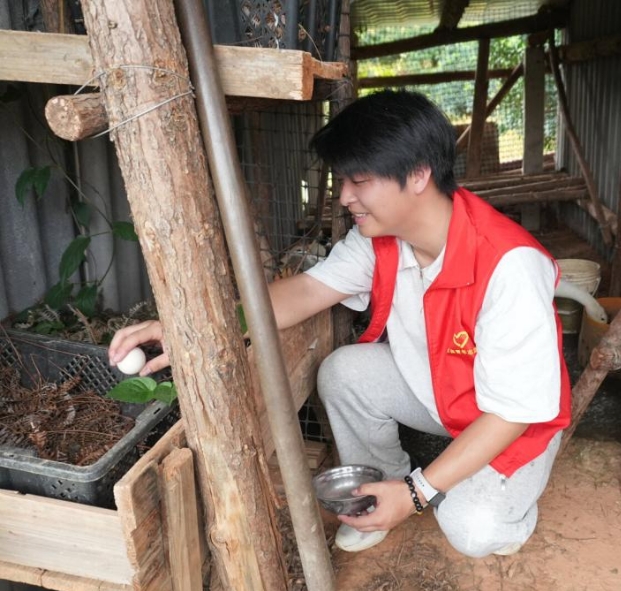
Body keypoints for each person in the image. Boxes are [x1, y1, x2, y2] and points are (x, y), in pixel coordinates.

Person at [109, 89, 571, 558]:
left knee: (472, 530)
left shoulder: (510, 266)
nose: (345, 196)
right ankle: (378, 493)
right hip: (441, 394)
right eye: (343, 180)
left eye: (360, 180)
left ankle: (506, 509)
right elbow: (307, 292)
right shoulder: (381, 239)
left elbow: (512, 413)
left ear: (418, 174)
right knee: (344, 372)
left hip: (510, 421)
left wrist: (417, 494)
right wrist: (192, 328)